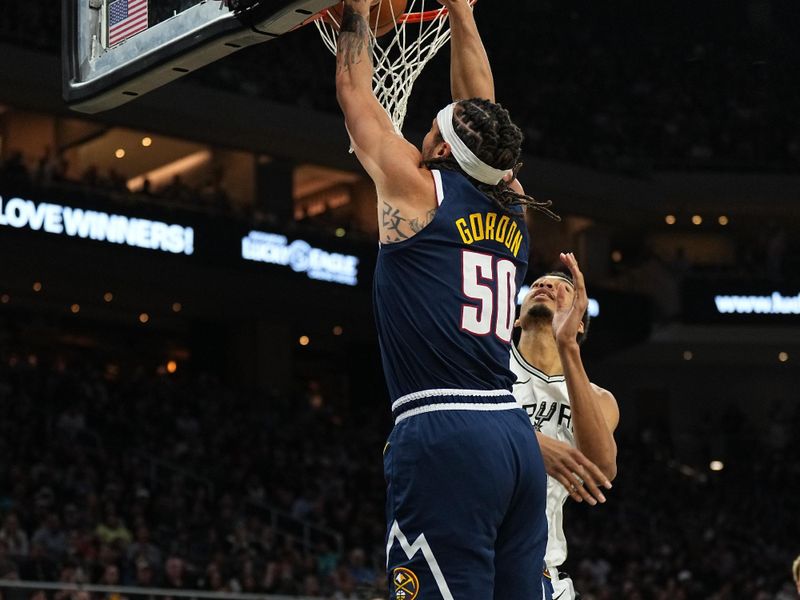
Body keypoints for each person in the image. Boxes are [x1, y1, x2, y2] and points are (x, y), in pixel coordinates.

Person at [335, 0, 557, 597]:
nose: (423, 130)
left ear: (439, 152)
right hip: (512, 437)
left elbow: (357, 98)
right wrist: (461, 10)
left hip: (444, 431)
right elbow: (481, 103)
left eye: (433, 129)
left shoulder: (415, 188)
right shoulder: (511, 199)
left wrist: (355, 13)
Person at [511, 255, 619, 600]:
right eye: (536, 285)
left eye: (563, 287)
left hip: (539, 564)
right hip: (469, 546)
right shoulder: (484, 371)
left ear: (581, 322)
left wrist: (567, 344)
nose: (544, 285)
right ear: (515, 319)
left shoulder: (599, 400)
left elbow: (601, 470)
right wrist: (531, 444)